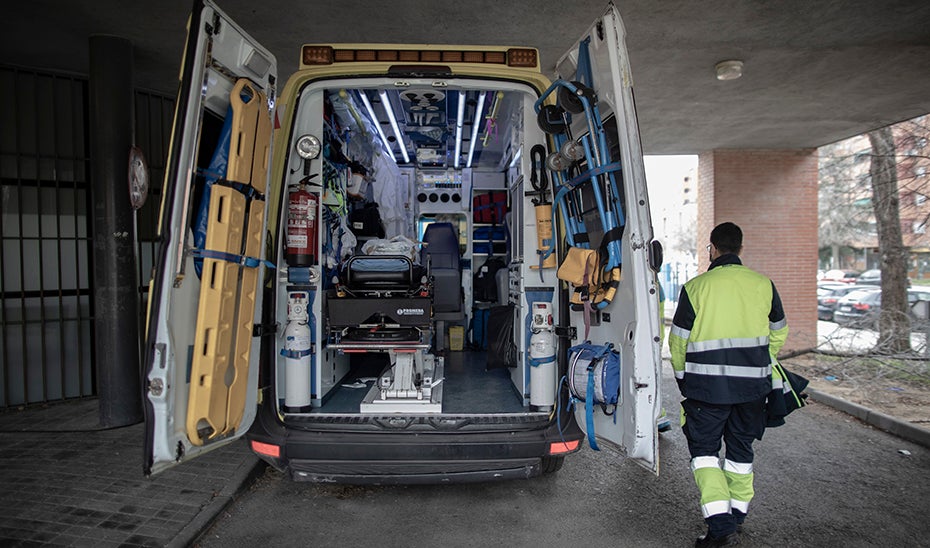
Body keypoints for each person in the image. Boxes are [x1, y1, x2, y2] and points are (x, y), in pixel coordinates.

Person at [668, 222, 788, 547]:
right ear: (740, 249)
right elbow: (779, 330)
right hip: (752, 389)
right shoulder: (764, 285)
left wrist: (683, 378)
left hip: (706, 391)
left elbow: (678, 342)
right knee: (740, 451)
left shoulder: (696, 288)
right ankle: (737, 514)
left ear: (713, 249)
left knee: (704, 453)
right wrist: (760, 360)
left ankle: (719, 524)